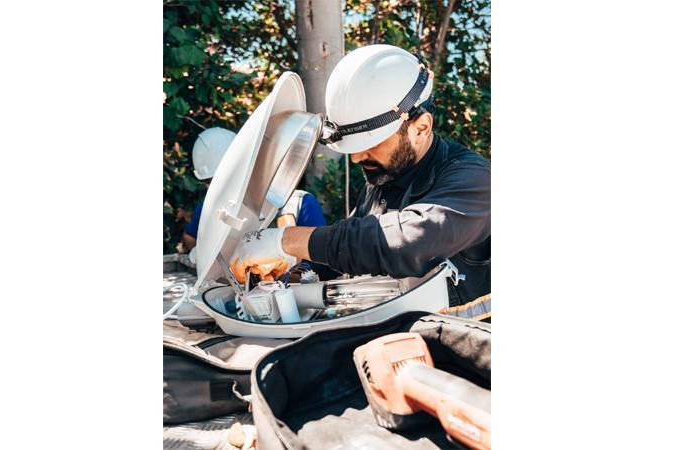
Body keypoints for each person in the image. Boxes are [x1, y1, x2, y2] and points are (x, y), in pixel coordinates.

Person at [229, 44, 491, 321]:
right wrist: (297, 266)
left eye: (372, 143)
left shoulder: (475, 180)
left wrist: (285, 240)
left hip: (465, 341)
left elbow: (406, 242)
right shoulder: (385, 178)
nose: (356, 157)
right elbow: (351, 246)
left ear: (421, 127)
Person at [182, 127, 327, 263]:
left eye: (229, 179)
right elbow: (189, 238)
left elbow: (323, 259)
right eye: (212, 182)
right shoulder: (208, 209)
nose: (223, 188)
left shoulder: (299, 204)